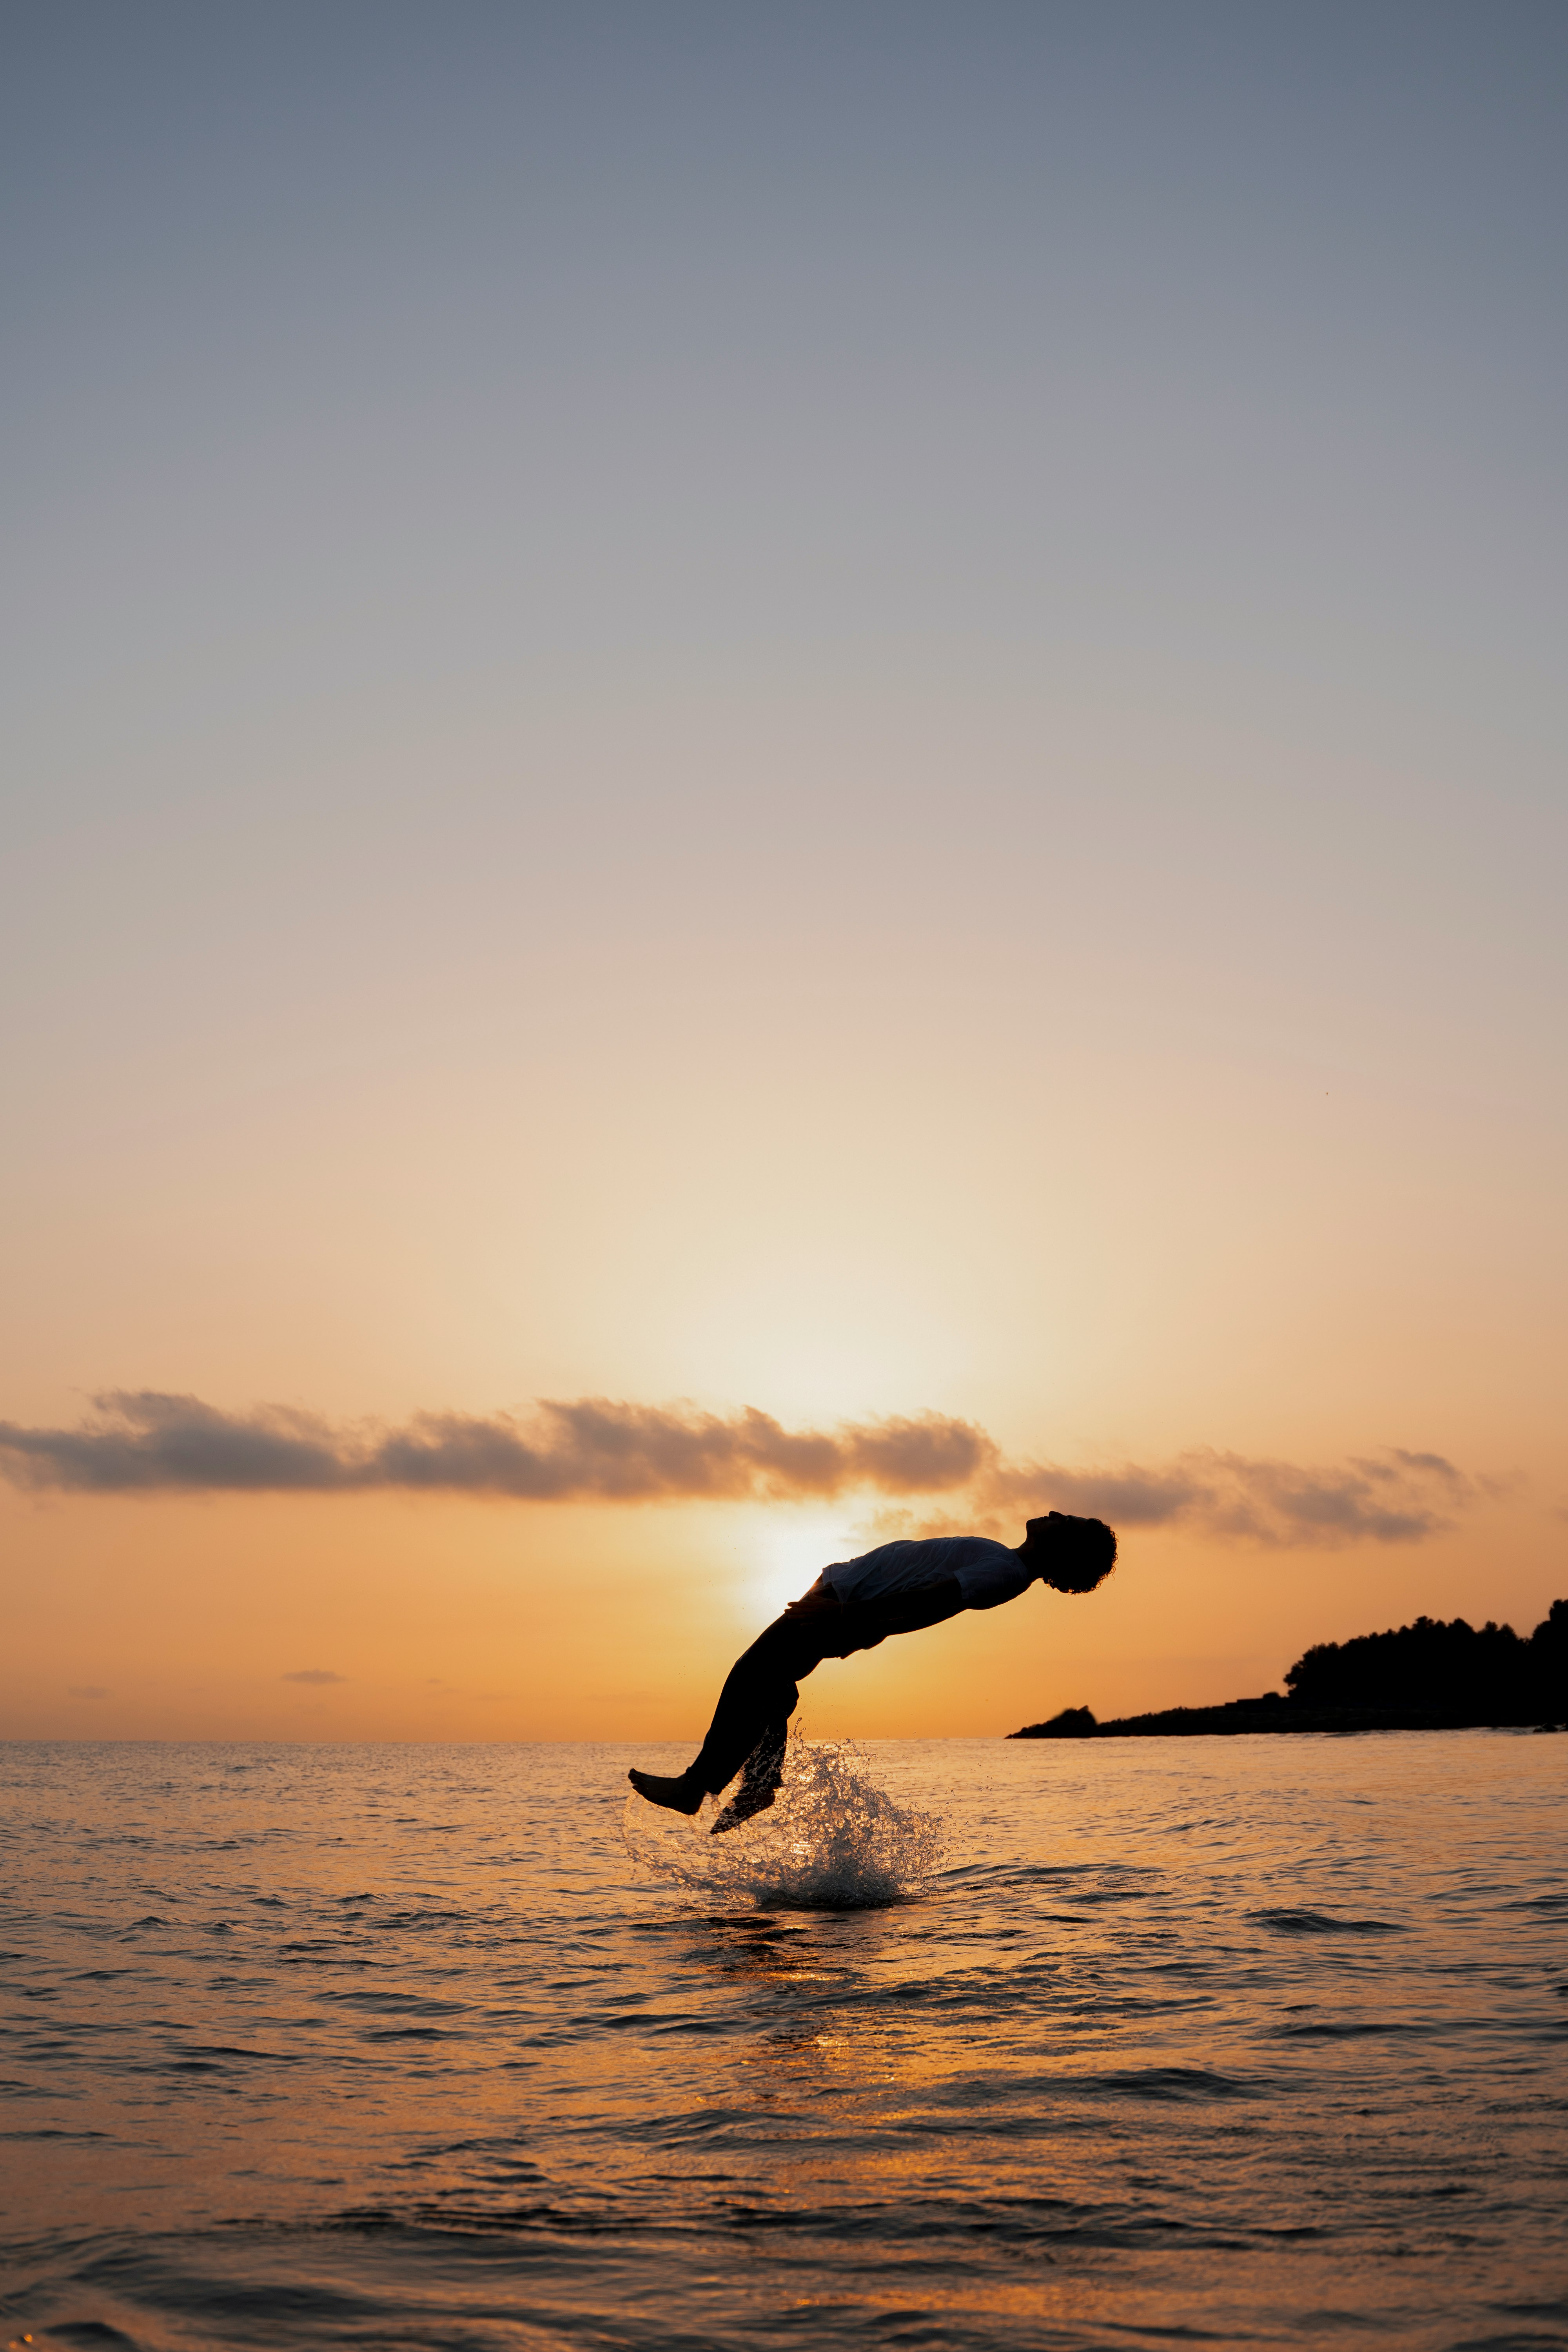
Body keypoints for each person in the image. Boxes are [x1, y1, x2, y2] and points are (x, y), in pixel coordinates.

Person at [628, 1511, 1118, 1834]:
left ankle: (697, 1786)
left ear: (1064, 1549)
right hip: (846, 1600)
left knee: (751, 1676)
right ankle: (759, 1782)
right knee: (772, 1687)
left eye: (1065, 1521)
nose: (1054, 1514)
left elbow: (934, 1599)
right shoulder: (1004, 1561)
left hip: (846, 1606)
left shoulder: (1006, 1573)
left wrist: (845, 1616)